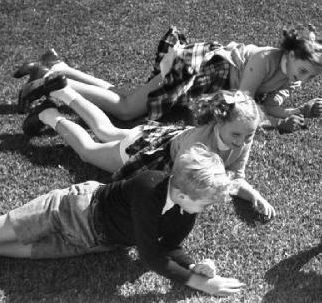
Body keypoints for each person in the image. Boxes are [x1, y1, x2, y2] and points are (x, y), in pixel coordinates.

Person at [0, 144, 245, 296]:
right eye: (206, 202)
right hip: (71, 210)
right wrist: (200, 283)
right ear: (184, 193)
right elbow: (150, 255)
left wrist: (193, 265)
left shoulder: (187, 211)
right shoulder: (149, 188)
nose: (208, 208)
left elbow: (170, 246)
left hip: (93, 242)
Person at [15, 24, 322, 133]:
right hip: (199, 70)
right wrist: (277, 122)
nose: (306, 79)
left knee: (129, 96)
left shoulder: (289, 76)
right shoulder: (263, 60)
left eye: (313, 76)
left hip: (206, 80)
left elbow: (269, 105)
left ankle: (58, 67)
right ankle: (55, 80)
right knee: (128, 109)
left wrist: (298, 112)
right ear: (291, 53)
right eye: (305, 70)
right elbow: (244, 104)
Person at [20, 85, 276, 219]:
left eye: (249, 136)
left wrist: (253, 195)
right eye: (236, 135)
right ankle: (48, 114)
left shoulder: (241, 139)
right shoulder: (199, 145)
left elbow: (235, 175)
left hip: (162, 137)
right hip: (153, 153)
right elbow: (180, 185)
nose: (242, 142)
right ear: (219, 122)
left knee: (106, 130)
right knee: (89, 150)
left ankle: (62, 90)